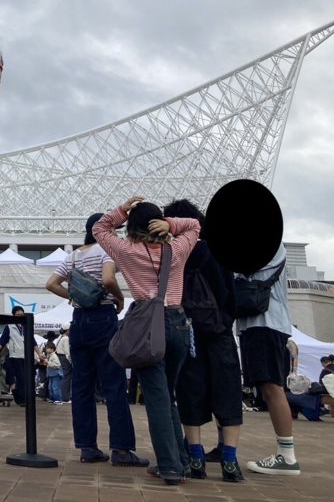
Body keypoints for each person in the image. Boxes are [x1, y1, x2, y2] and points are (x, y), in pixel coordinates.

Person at [94, 198, 200, 486]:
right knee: (168, 395)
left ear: (132, 227)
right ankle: (181, 460)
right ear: (158, 224)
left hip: (147, 327)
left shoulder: (126, 251)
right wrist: (171, 224)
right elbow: (195, 225)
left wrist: (122, 210)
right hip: (178, 322)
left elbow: (99, 228)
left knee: (157, 399)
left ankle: (170, 467)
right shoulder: (177, 249)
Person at [47, 212, 146, 467]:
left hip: (79, 320)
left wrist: (73, 297)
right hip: (103, 318)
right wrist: (119, 298)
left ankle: (87, 447)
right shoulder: (107, 251)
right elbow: (108, 279)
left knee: (82, 387)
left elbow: (51, 283)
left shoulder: (73, 256)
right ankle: (121, 449)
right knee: (113, 384)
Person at [164, 199, 245, 483]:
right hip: (219, 332)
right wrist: (224, 322)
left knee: (190, 391)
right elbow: (231, 295)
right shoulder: (217, 251)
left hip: (188, 331)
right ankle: (230, 461)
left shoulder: (173, 253)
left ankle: (196, 458)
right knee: (228, 391)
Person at [235, 243, 301, 476]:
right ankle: (286, 454)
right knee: (268, 387)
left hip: (267, 323)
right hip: (257, 325)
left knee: (272, 387)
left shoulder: (271, 244)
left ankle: (287, 456)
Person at [0, 306, 44, 406]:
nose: (20, 316)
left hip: (26, 356)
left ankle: (20, 397)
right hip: (14, 356)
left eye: (21, 315)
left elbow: (33, 342)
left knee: (25, 378)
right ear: (13, 316)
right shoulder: (9, 327)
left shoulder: (27, 326)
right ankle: (22, 399)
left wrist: (40, 354)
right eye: (17, 315)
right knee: (19, 378)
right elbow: (2, 340)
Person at [55, 324, 72, 403]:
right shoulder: (66, 338)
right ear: (67, 330)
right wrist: (71, 362)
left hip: (59, 357)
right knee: (67, 377)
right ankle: (65, 397)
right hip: (64, 358)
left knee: (63, 377)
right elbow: (67, 352)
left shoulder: (60, 337)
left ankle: (62, 396)